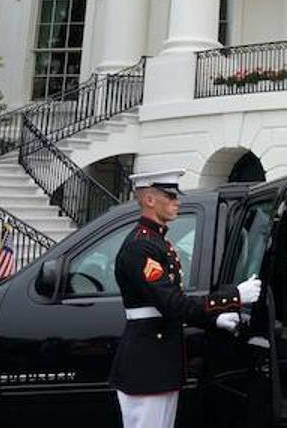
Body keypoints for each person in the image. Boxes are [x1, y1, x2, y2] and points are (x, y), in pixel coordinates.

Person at [109, 170, 262, 428]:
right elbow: (172, 304)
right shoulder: (141, 247)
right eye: (170, 196)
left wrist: (214, 320)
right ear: (149, 199)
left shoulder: (157, 242)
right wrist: (233, 296)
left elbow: (173, 305)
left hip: (159, 360)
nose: (177, 201)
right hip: (148, 364)